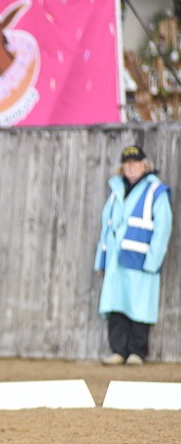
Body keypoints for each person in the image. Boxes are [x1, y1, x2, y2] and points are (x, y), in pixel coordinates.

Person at [94, 144, 173, 365]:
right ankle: (117, 350)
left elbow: (163, 228)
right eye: (127, 163)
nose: (131, 167)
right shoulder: (116, 189)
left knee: (139, 305)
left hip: (141, 258)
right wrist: (101, 259)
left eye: (135, 163)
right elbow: (106, 226)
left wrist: (153, 261)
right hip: (115, 259)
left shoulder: (156, 190)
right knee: (116, 303)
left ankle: (137, 352)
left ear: (144, 165)